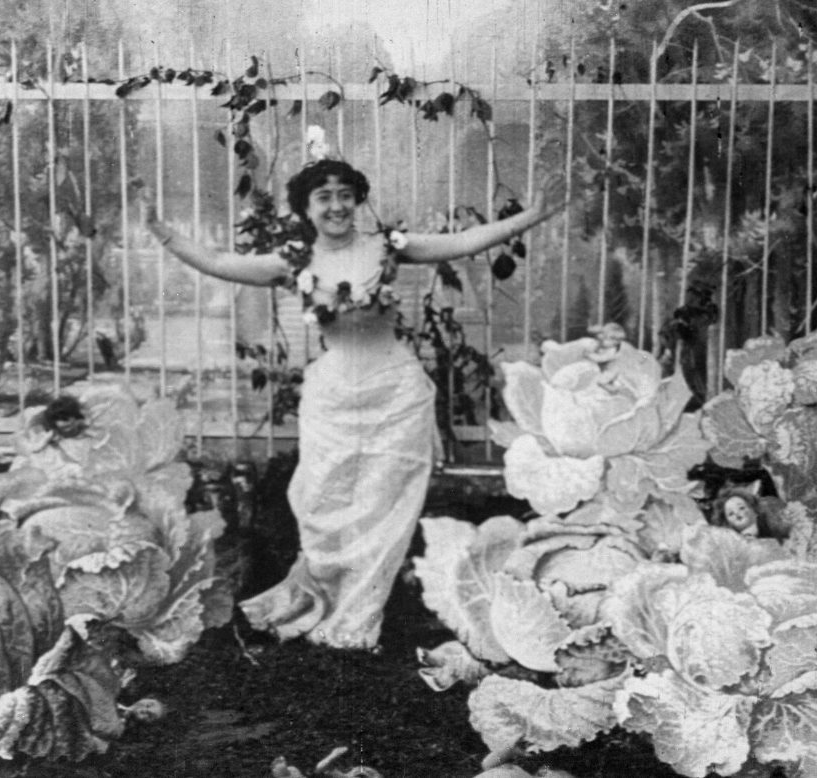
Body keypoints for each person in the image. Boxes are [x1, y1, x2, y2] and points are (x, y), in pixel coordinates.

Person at [147, 158, 562, 650]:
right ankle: (327, 593)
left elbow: (464, 242)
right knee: (322, 500)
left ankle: (363, 612)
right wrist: (162, 231)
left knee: (384, 503)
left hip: (394, 391)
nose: (337, 206)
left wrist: (532, 215)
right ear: (305, 208)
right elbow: (221, 263)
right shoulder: (295, 261)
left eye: (345, 195)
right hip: (334, 397)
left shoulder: (387, 247)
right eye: (323, 197)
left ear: (357, 200)